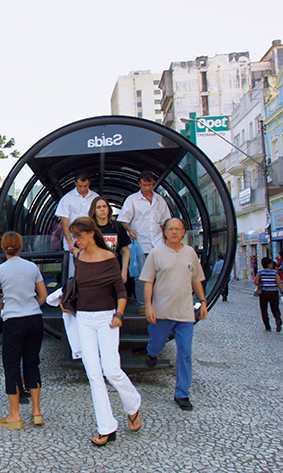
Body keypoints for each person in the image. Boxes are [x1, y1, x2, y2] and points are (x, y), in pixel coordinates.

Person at [62, 217, 141, 446]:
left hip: (107, 318)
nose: (75, 240)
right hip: (83, 319)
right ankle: (107, 427)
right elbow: (76, 286)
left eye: (78, 235)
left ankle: (133, 403)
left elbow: (121, 291)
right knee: (93, 374)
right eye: (74, 236)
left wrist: (119, 315)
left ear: (90, 234)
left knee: (111, 370)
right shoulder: (76, 257)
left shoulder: (109, 258)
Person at [140, 218, 207, 411]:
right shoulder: (156, 253)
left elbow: (197, 280)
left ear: (183, 232)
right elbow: (148, 282)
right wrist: (149, 306)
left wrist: (202, 303)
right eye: (171, 229)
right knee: (157, 344)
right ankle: (151, 352)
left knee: (185, 354)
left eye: (178, 229)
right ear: (165, 232)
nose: (175, 232)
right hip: (162, 312)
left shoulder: (190, 253)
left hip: (185, 313)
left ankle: (182, 394)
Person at [0, 232, 48, 430]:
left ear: (3, 247)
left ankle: (15, 415)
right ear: (21, 247)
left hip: (13, 322)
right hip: (34, 319)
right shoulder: (32, 267)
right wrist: (31, 305)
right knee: (32, 363)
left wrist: (8, 306)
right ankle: (36, 411)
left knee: (12, 366)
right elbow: (43, 295)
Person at [118, 170, 171, 315]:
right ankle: (142, 304)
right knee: (141, 276)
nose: (147, 188)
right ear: (139, 184)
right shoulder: (132, 200)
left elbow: (165, 222)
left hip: (158, 243)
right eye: (144, 185)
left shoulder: (160, 200)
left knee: (161, 275)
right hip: (140, 244)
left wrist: (167, 242)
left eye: (150, 185)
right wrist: (129, 229)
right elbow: (123, 220)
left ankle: (159, 303)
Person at [55, 171, 99, 275]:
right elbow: (64, 222)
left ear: (89, 184)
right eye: (80, 186)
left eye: (85, 186)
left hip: (91, 240)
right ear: (75, 183)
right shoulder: (67, 199)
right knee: (74, 272)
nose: (83, 189)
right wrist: (70, 242)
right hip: (74, 241)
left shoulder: (95, 197)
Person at [89, 197, 131, 283]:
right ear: (94, 210)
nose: (102, 209)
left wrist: (124, 271)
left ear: (108, 209)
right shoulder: (89, 228)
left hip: (114, 270)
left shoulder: (117, 226)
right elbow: (77, 249)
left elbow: (126, 250)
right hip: (95, 271)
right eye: (99, 207)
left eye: (104, 206)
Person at [254, 257, 283, 332]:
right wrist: (282, 290)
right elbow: (279, 283)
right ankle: (278, 319)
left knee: (264, 309)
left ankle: (267, 326)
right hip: (274, 292)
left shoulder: (260, 272)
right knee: (275, 308)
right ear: (269, 264)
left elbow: (256, 282)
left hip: (264, 293)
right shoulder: (275, 272)